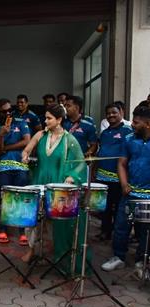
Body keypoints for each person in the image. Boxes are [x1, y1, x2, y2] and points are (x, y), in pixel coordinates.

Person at [22, 104, 87, 266]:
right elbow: (26, 150)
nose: (45, 121)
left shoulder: (69, 140)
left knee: (55, 221)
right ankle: (31, 250)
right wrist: (25, 156)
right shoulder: (40, 134)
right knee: (33, 219)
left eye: (49, 118)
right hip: (39, 181)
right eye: (45, 117)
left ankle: (58, 253)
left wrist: (72, 177)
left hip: (58, 184)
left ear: (59, 120)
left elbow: (80, 163)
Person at [101, 103, 150, 277]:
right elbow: (121, 163)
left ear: (147, 124)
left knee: (145, 230)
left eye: (136, 122)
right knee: (122, 225)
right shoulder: (129, 139)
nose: (133, 125)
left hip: (148, 197)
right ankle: (118, 257)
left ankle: (141, 262)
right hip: (130, 194)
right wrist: (123, 184)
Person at [94, 103, 133, 241]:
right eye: (108, 113)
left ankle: (118, 235)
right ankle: (105, 231)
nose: (111, 115)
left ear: (121, 112)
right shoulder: (104, 133)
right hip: (102, 176)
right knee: (104, 207)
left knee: (118, 209)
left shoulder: (128, 131)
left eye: (114, 112)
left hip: (118, 178)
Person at [0, 100, 30, 245]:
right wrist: (1, 135)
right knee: (4, 197)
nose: (8, 113)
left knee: (20, 197)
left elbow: (26, 141)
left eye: (10, 110)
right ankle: (3, 229)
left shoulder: (21, 122)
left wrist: (7, 147)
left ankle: (22, 231)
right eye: (4, 111)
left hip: (21, 166)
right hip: (4, 167)